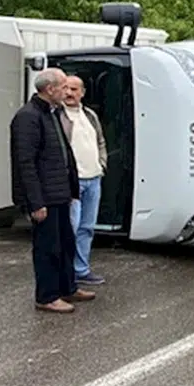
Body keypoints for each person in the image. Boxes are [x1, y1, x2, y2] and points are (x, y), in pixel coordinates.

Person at [9, 67, 95, 314]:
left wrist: (71, 189)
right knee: (47, 248)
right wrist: (35, 202)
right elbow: (25, 163)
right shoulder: (28, 117)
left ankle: (67, 287)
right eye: (63, 87)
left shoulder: (51, 113)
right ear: (50, 89)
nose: (66, 91)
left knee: (66, 243)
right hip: (44, 197)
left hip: (60, 193)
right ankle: (46, 296)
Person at [60, 75, 108, 286]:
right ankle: (66, 273)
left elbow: (100, 141)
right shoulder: (57, 115)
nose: (70, 93)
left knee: (87, 228)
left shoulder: (90, 115)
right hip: (72, 182)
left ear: (82, 92)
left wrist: (102, 165)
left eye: (74, 89)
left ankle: (81, 270)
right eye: (66, 89)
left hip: (93, 179)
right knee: (70, 228)